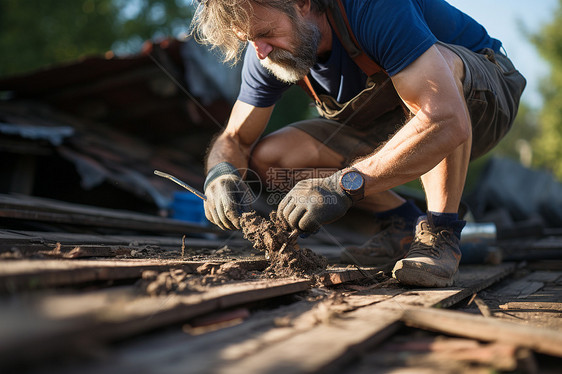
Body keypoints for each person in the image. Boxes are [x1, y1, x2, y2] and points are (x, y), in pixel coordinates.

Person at [191, 0, 526, 287]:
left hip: (480, 99)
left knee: (437, 79)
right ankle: (402, 223)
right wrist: (220, 173)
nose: (260, 50)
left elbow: (444, 120)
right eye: (250, 40)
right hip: (391, 121)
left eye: (264, 34)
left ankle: (441, 233)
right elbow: (234, 138)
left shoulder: (371, 7)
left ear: (302, 2)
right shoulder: (267, 52)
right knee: (269, 156)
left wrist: (343, 185)